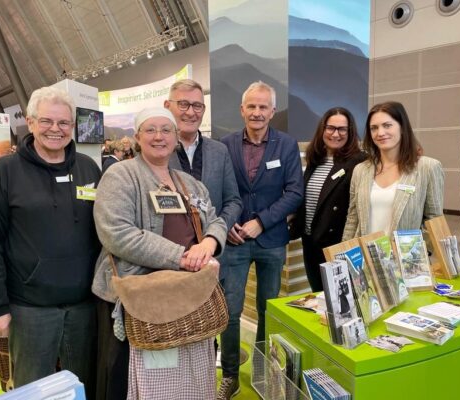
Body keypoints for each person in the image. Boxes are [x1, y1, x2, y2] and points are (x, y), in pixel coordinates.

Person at [91, 107, 227, 400]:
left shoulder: (189, 183)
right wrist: (182, 256)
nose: (159, 137)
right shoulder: (121, 175)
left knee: (185, 376)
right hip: (138, 297)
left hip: (186, 293)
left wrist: (208, 244)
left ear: (177, 138)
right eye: (150, 130)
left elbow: (215, 220)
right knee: (135, 378)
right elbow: (117, 232)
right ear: (137, 137)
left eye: (166, 130)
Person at [0, 87, 101, 397]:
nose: (55, 130)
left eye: (64, 123)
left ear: (72, 127)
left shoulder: (88, 169)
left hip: (84, 307)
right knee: (34, 389)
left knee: (81, 387)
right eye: (47, 121)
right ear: (30, 123)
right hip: (29, 308)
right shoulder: (5, 172)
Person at [218, 81, 304, 399]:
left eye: (263, 106)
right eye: (251, 106)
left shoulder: (286, 145)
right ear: (242, 110)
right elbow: (215, 190)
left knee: (268, 309)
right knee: (230, 309)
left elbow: (295, 192)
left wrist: (261, 222)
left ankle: (262, 370)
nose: (257, 112)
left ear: (272, 111)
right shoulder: (223, 145)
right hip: (233, 241)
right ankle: (230, 375)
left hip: (271, 240)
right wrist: (226, 225)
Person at [342, 101, 444, 241]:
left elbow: (434, 223)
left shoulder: (428, 167)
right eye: (374, 128)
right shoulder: (360, 170)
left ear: (402, 127)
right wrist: (343, 256)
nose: (380, 133)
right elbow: (352, 220)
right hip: (364, 259)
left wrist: (416, 255)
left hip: (404, 260)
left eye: (387, 125)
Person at [290, 107, 366, 292]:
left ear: (350, 132)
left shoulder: (360, 162)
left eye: (342, 129)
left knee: (339, 299)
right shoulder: (315, 159)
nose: (335, 134)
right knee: (318, 294)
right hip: (310, 242)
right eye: (330, 128)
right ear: (322, 129)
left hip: (337, 245)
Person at [165, 78, 242, 232]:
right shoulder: (157, 151)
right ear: (167, 106)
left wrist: (218, 230)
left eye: (197, 106)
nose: (191, 112)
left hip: (212, 249)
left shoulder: (219, 151)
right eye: (183, 104)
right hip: (170, 248)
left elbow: (234, 201)